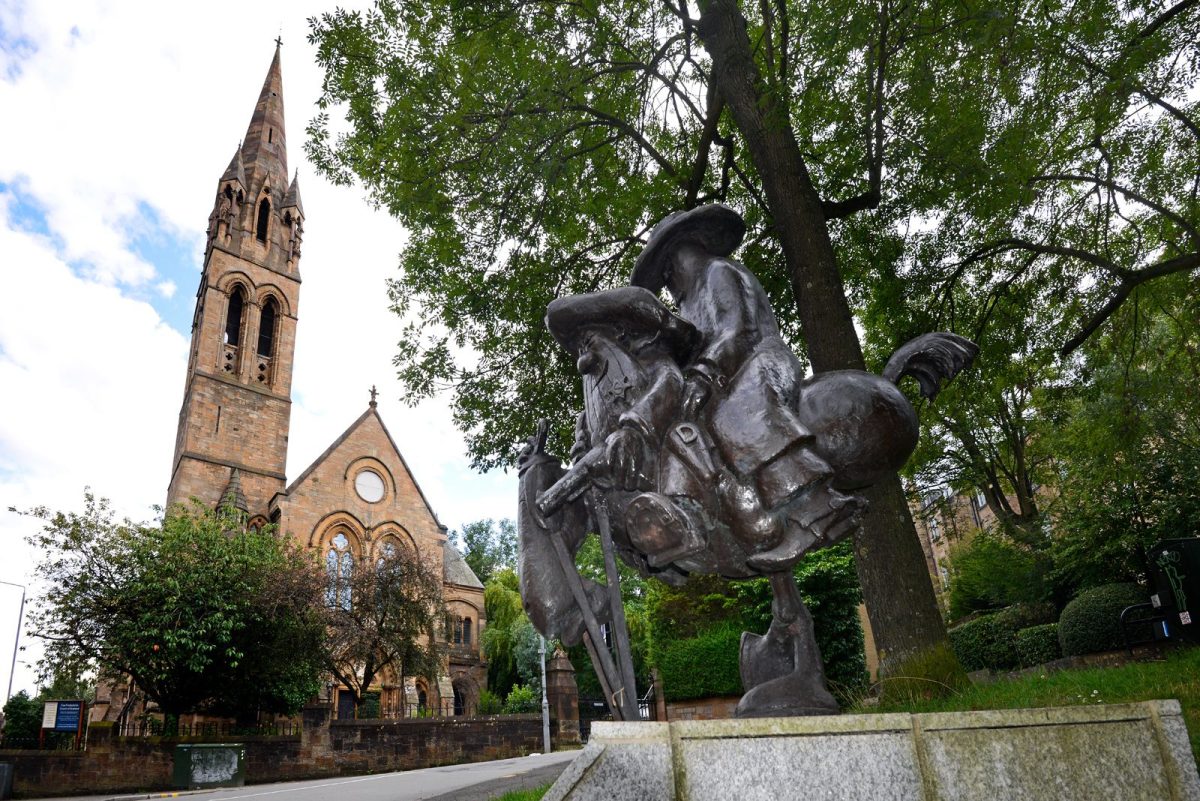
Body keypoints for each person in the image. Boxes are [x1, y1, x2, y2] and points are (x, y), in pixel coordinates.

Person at [628, 204, 863, 572]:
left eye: (668, 268)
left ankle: (819, 506)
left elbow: (738, 331)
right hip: (723, 376)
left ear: (682, 253)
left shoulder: (718, 272)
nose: (668, 280)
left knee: (739, 413)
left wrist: (703, 375)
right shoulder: (688, 306)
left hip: (761, 361)